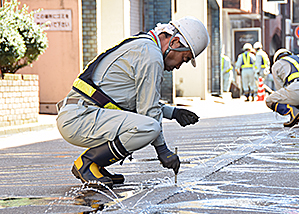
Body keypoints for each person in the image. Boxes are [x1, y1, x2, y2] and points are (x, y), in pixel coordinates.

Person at [56, 16, 210, 188]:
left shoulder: (144, 45)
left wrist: (173, 113)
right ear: (174, 42)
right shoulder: (151, 56)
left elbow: (140, 101)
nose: (180, 66)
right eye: (185, 58)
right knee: (148, 127)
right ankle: (87, 163)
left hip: (81, 113)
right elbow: (148, 112)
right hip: (80, 118)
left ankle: (96, 165)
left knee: (143, 124)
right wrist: (163, 151)